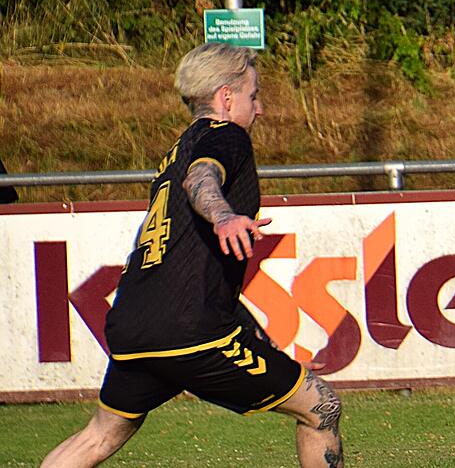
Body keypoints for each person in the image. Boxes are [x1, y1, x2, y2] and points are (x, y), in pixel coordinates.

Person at [42, 43, 343, 467]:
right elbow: (202, 179)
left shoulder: (177, 151)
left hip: (133, 324)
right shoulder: (226, 135)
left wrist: (248, 326)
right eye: (254, 95)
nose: (259, 109)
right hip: (190, 331)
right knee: (321, 407)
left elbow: (190, 259)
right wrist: (224, 216)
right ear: (226, 97)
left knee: (99, 435)